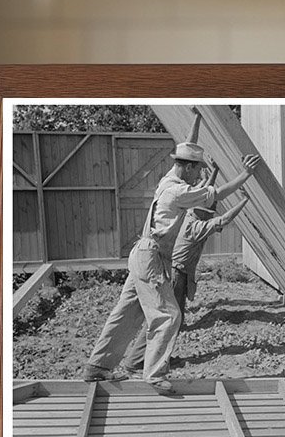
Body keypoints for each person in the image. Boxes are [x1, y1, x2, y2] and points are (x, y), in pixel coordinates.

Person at [81, 134, 261, 395]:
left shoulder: (168, 180)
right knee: (169, 315)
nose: (199, 175)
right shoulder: (178, 192)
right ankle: (154, 374)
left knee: (127, 313)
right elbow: (216, 193)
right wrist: (246, 174)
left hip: (142, 253)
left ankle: (97, 366)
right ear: (187, 167)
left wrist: (196, 121)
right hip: (151, 257)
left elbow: (188, 146)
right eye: (197, 169)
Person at [123, 191, 250, 373]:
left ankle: (159, 358)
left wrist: (211, 177)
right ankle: (136, 360)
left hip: (177, 273)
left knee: (173, 320)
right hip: (176, 275)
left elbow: (208, 196)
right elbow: (224, 220)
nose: (210, 216)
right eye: (208, 213)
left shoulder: (189, 219)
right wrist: (244, 200)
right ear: (200, 212)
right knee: (164, 319)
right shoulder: (194, 226)